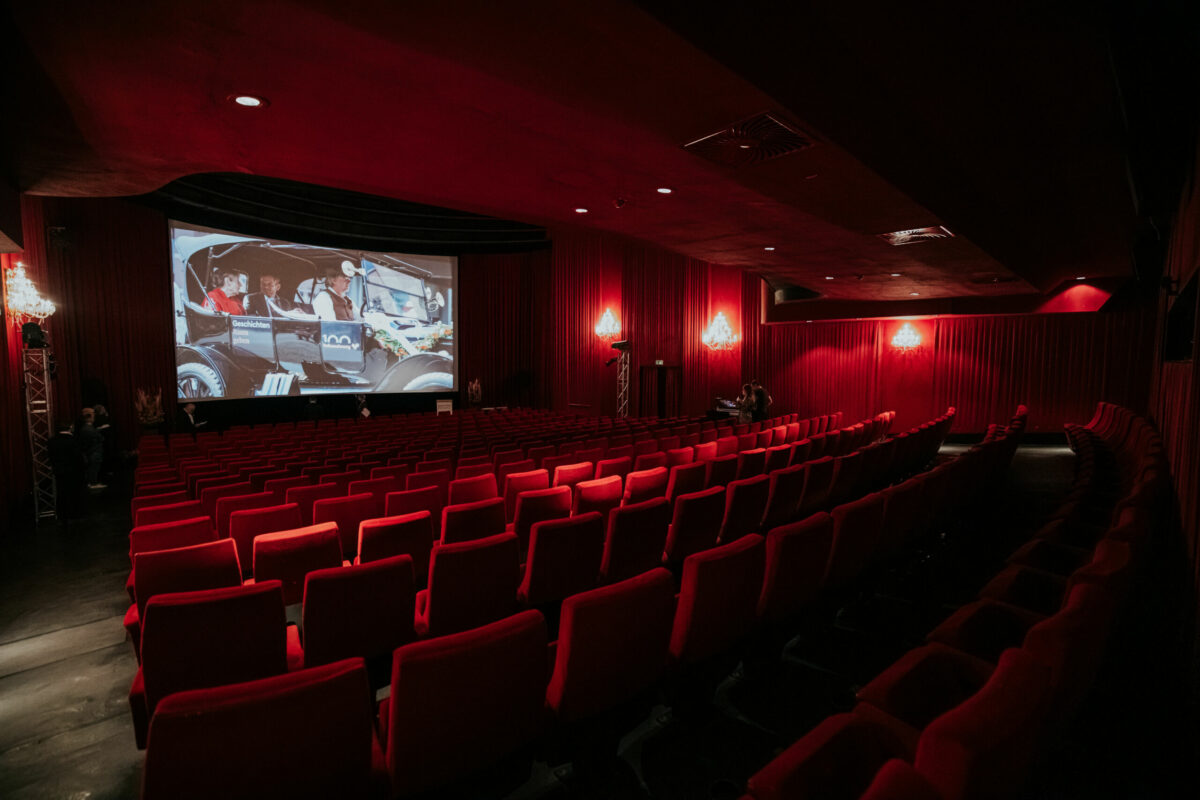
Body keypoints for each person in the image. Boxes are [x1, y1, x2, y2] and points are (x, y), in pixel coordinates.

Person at [48, 420, 85, 520]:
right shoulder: (74, 441)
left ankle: (62, 514)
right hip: (73, 471)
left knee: (61, 493)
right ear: (70, 427)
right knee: (74, 493)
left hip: (59, 471)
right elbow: (78, 458)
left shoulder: (52, 441)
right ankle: (73, 513)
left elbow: (51, 456)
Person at [77, 407, 105, 489]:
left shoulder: (88, 428)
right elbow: (99, 438)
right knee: (93, 468)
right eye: (93, 415)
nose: (94, 417)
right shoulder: (88, 429)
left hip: (92, 452)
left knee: (93, 468)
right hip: (93, 452)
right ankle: (93, 483)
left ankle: (92, 482)